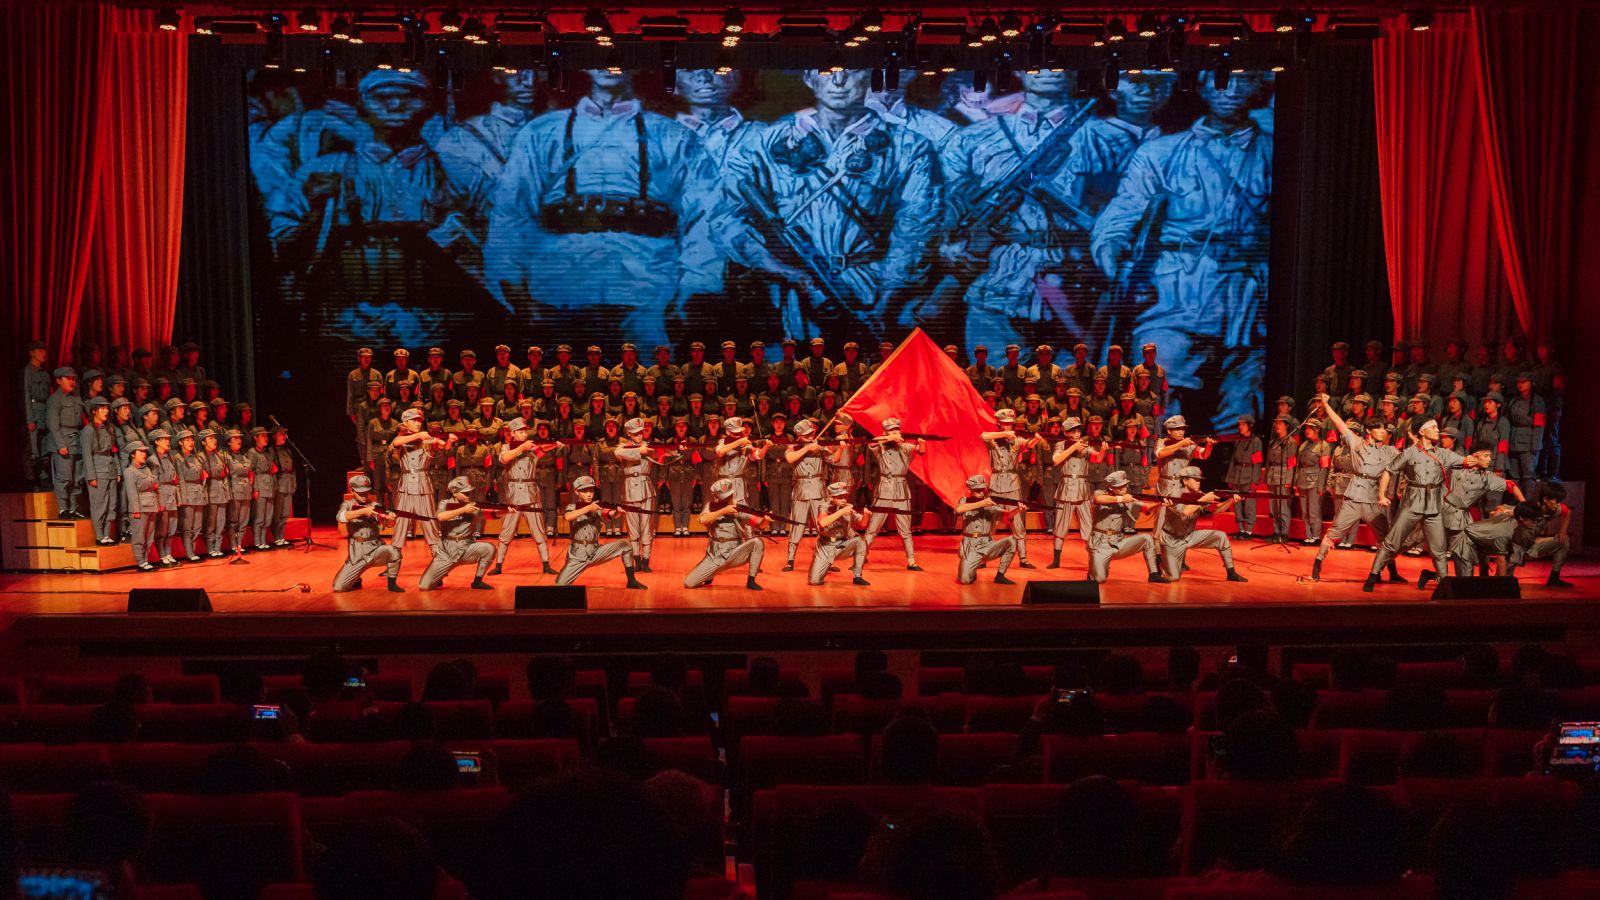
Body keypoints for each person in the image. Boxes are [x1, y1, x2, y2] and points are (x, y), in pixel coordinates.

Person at [1093, 74, 1273, 431]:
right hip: (1175, 294)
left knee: (1242, 411)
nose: (1230, 91)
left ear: (1258, 88)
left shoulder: (1271, 151)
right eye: (1221, 82)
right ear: (1202, 87)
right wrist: (1114, 258)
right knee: (1156, 392)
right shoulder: (1161, 152)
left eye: (1243, 82)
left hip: (1248, 300)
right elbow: (1121, 214)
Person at [713, 68, 940, 342]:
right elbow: (727, 216)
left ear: (870, 77)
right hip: (790, 291)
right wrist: (780, 269)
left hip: (871, 288)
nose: (839, 81)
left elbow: (915, 229)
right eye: (826, 72)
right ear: (808, 78)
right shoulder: (765, 143)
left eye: (851, 72)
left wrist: (887, 303)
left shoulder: (908, 146)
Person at [486, 69, 696, 346]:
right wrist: (508, 281)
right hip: (559, 283)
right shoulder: (542, 131)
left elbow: (700, 216)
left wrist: (695, 286)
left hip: (648, 281)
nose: (610, 65)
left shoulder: (672, 134)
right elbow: (513, 210)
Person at [1364, 418, 1484, 592]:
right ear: (1422, 432)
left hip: (1434, 506)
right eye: (1433, 427)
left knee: (1439, 549)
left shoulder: (1443, 454)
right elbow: (1388, 471)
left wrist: (1475, 459)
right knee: (1392, 542)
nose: (1437, 430)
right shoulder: (1409, 453)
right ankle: (1373, 575)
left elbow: (1465, 461)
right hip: (1411, 503)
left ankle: (1444, 584)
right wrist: (1381, 495)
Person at [1309, 396, 1402, 584]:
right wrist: (1326, 404)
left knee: (1385, 538)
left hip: (1373, 500)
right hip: (1353, 498)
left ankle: (1392, 571)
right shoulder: (1356, 442)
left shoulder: (1389, 451)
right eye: (1378, 428)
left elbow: (1410, 457)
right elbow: (1339, 423)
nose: (1383, 431)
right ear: (1368, 430)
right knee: (1335, 532)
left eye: (1384, 428)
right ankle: (1317, 566)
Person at [981, 408, 1045, 568]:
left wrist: (1035, 440)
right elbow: (983, 436)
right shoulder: (993, 439)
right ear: (999, 424)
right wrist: (1004, 434)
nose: (1008, 426)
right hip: (996, 484)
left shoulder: (1016, 440)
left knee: (1017, 522)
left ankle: (1023, 558)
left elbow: (1028, 445)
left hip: (1012, 484)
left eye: (1010, 424)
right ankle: (983, 556)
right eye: (1005, 424)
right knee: (991, 523)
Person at [557, 475, 646, 589]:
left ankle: (631, 581)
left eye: (591, 491)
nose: (589, 494)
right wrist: (589, 508)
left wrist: (618, 512)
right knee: (560, 585)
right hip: (577, 555)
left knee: (625, 545)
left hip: (595, 551)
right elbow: (568, 516)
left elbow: (610, 514)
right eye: (585, 491)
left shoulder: (597, 508)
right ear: (576, 492)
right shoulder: (573, 506)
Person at [491, 417, 555, 576]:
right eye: (520, 431)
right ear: (512, 433)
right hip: (513, 495)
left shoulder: (531, 448)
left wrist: (555, 444)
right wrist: (522, 447)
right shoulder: (506, 447)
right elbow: (504, 459)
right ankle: (498, 565)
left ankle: (546, 564)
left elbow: (543, 450)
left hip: (531, 493)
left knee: (539, 531)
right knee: (506, 532)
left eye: (525, 431)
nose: (524, 434)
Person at [1160, 467, 1248, 582]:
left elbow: (1216, 510)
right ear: (1185, 481)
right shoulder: (1175, 493)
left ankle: (1231, 573)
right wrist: (1204, 499)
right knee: (1173, 577)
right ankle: (1161, 561)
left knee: (1220, 537)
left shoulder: (1199, 494)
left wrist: (1231, 500)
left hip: (1189, 536)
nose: (1198, 482)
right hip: (1171, 539)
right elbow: (1185, 512)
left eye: (1199, 480)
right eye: (1195, 479)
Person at [862, 418, 926, 571]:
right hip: (884, 491)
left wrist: (922, 441)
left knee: (905, 530)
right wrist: (889, 437)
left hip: (901, 491)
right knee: (873, 528)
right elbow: (871, 443)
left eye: (897, 429)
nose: (895, 432)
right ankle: (861, 556)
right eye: (891, 430)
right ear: (885, 432)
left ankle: (911, 561)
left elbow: (921, 450)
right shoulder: (880, 446)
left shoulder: (905, 446)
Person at [615, 417, 677, 573]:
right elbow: (618, 453)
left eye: (641, 432)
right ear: (629, 434)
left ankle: (646, 561)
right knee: (633, 529)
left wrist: (679, 448)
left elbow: (669, 452)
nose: (639, 435)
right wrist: (639, 451)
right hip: (630, 490)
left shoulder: (650, 446)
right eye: (636, 433)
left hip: (646, 489)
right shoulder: (623, 447)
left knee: (647, 528)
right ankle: (636, 560)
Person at [684, 478, 769, 590]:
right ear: (716, 496)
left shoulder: (738, 508)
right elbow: (702, 519)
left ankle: (751, 580)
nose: (727, 498)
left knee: (757, 542)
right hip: (715, 556)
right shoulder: (710, 506)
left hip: (735, 553)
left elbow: (759, 524)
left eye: (729, 495)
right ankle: (710, 574)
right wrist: (723, 511)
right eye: (724, 497)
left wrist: (765, 520)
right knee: (689, 583)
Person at [389, 408, 452, 553]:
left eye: (419, 421)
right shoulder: (402, 438)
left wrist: (450, 441)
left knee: (429, 520)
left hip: (423, 484)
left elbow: (443, 446)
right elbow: (396, 443)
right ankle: (393, 559)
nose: (418, 423)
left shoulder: (426, 438)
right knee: (401, 522)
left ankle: (438, 557)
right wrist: (419, 435)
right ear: (405, 423)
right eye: (414, 420)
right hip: (406, 486)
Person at [417, 477, 496, 591]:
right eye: (464, 492)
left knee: (489, 549)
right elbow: (440, 517)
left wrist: (506, 511)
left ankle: (477, 581)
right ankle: (439, 575)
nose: (468, 494)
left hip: (467, 548)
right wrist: (463, 510)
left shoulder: (473, 505)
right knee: (424, 586)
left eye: (469, 491)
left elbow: (492, 515)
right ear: (454, 493)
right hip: (447, 552)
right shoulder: (445, 503)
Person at [1088, 470, 1166, 583]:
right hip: (1100, 545)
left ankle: (1153, 574)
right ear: (1111, 488)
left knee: (1147, 538)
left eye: (1125, 485)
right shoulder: (1100, 493)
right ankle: (1094, 570)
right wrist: (1121, 499)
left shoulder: (1127, 498)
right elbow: (1098, 499)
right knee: (1099, 579)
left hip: (1118, 542)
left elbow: (1147, 508)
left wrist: (1161, 504)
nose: (1124, 488)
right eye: (1120, 486)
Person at [333, 474, 404, 593]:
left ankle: (392, 584)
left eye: (365, 492)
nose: (363, 495)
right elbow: (340, 517)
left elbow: (388, 524)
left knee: (393, 551)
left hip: (375, 549)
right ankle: (356, 579)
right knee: (338, 587)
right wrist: (363, 511)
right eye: (360, 492)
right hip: (357, 554)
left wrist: (391, 519)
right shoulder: (347, 504)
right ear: (352, 491)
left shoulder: (375, 505)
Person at [953, 474, 1018, 585]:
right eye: (978, 490)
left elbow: (1007, 516)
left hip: (987, 544)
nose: (981, 492)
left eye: (983, 489)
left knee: (1012, 541)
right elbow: (959, 510)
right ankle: (973, 568)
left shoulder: (989, 503)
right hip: (971, 547)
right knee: (964, 580)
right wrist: (982, 503)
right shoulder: (965, 500)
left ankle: (1000, 576)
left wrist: (1018, 510)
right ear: (970, 490)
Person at [1048, 417, 1094, 569]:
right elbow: (1056, 460)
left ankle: (1094, 560)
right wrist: (1073, 447)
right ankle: (1056, 561)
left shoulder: (1085, 445)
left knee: (1088, 526)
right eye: (1073, 431)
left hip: (1082, 489)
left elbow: (1097, 457)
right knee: (1060, 526)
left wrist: (1104, 450)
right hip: (1066, 488)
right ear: (1066, 432)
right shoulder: (1061, 445)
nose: (1077, 433)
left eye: (1078, 430)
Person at [809, 481, 870, 586]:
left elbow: (863, 523)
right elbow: (822, 523)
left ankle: (857, 576)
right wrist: (841, 512)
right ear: (831, 497)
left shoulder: (848, 507)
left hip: (842, 545)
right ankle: (825, 564)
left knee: (860, 541)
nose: (843, 500)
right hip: (825, 546)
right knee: (814, 581)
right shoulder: (824, 507)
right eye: (839, 497)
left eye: (845, 496)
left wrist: (866, 515)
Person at [44, 366, 85, 518]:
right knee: (64, 477)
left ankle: (73, 508)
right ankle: (63, 508)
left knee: (76, 477)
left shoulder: (76, 397)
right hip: (63, 441)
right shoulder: (54, 399)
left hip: (76, 440)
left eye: (73, 378)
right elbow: (53, 425)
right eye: (68, 378)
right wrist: (61, 444)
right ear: (58, 381)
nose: (72, 381)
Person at [79, 397, 120, 545]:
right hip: (98, 471)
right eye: (102, 408)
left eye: (107, 408)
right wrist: (91, 476)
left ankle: (107, 535)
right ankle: (99, 535)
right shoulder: (88, 431)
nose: (106, 411)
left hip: (110, 470)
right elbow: (87, 455)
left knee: (111, 505)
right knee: (99, 504)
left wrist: (118, 471)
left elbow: (113, 451)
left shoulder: (109, 428)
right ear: (94, 411)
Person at [1224, 414, 1263, 540]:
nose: (1240, 427)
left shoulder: (1256, 441)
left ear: (1250, 426)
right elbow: (1233, 461)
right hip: (1237, 475)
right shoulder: (1238, 440)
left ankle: (1249, 531)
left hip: (1249, 475)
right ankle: (1241, 529)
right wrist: (1229, 478)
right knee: (1237, 504)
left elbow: (1257, 462)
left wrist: (1255, 480)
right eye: (1239, 424)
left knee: (1249, 504)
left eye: (1243, 424)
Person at [122, 442, 160, 572]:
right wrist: (135, 510)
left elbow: (155, 485)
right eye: (141, 452)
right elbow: (132, 493)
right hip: (140, 507)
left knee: (149, 536)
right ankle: (140, 562)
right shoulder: (129, 471)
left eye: (144, 452)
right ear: (133, 454)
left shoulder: (146, 469)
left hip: (151, 506)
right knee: (139, 537)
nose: (144, 454)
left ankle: (146, 561)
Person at [175, 430, 207, 561]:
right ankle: (189, 553)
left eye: (192, 440)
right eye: (187, 440)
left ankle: (192, 551)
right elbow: (181, 480)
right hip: (188, 493)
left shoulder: (197, 457)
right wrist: (183, 498)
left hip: (198, 493)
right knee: (187, 527)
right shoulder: (178, 459)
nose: (191, 442)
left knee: (198, 526)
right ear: (180, 442)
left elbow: (202, 476)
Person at [244, 426, 277, 550]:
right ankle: (258, 542)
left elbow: (272, 470)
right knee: (259, 516)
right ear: (255, 438)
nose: (266, 438)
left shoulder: (267, 453)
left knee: (268, 517)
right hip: (260, 486)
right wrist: (255, 488)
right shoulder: (252, 452)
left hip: (269, 486)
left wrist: (274, 486)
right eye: (263, 436)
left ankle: (263, 540)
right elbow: (251, 471)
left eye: (266, 435)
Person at [199, 430, 230, 557]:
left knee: (221, 522)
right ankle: (210, 548)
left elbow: (225, 472)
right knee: (210, 522)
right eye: (210, 438)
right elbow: (206, 474)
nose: (214, 440)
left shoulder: (219, 455)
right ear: (203, 442)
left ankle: (218, 547)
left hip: (221, 491)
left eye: (214, 438)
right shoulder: (201, 456)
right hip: (211, 492)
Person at [223, 429, 254, 554]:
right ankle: (233, 545)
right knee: (233, 520)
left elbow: (249, 470)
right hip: (234, 489)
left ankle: (239, 544)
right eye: (235, 438)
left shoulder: (244, 455)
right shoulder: (226, 457)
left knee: (244, 520)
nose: (239, 440)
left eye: (239, 438)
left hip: (246, 489)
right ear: (228, 442)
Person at [270, 426, 298, 546]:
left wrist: (294, 483)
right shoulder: (271, 451)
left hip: (288, 484)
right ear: (274, 436)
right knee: (277, 513)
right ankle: (276, 537)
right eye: (280, 434)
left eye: (284, 434)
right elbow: (272, 471)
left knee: (285, 513)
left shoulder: (287, 451)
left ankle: (281, 536)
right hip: (279, 484)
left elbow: (293, 470)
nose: (283, 436)